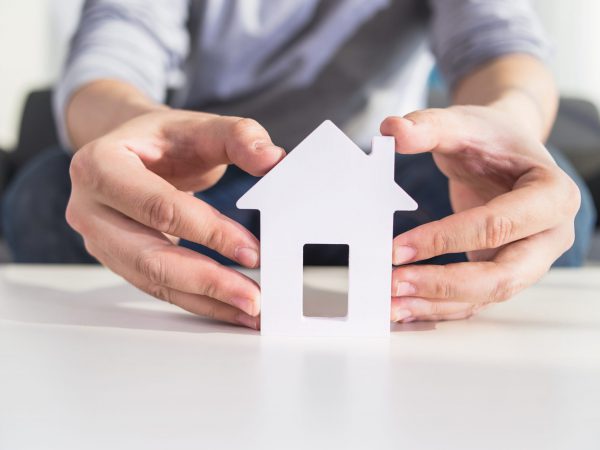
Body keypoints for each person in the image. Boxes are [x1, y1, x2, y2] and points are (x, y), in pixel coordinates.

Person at [2, 0, 596, 329]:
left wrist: (510, 123)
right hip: (211, 170)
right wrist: (124, 129)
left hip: (380, 168)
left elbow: (499, 44)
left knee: (544, 206)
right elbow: (115, 47)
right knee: (49, 195)